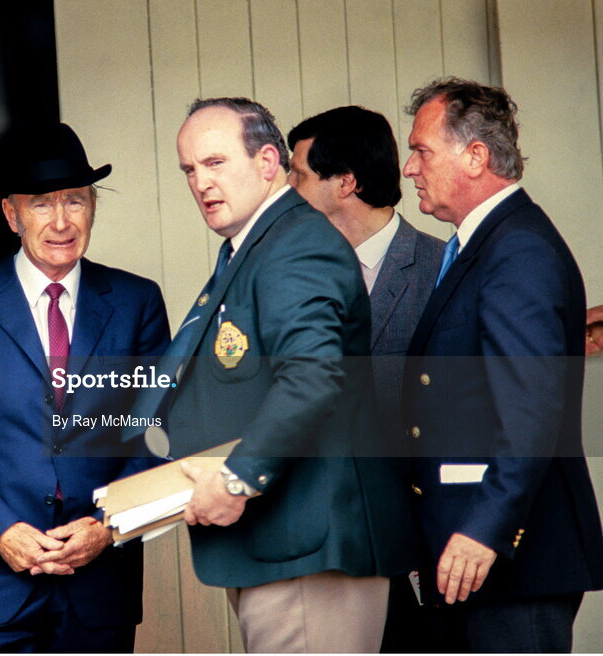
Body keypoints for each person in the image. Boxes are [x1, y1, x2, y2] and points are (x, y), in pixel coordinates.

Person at [133, 97, 413, 652]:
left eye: (215, 163)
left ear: (267, 162)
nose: (200, 183)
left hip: (309, 547)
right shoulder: (256, 246)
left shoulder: (294, 244)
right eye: (190, 169)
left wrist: (238, 479)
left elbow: (311, 379)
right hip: (282, 545)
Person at [0, 122, 169, 652]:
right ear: (11, 214)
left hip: (98, 585)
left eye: (75, 201)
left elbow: (157, 433)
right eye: (41, 204)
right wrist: (2, 531)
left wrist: (107, 525)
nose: (60, 222)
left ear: (93, 206)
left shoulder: (136, 301)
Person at [401, 77, 603, 652]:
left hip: (510, 558)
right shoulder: (480, 244)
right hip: (469, 557)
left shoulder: (516, 249)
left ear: (475, 156)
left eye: (420, 150)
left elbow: (530, 409)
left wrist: (484, 529)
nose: (410, 168)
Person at [288, 107, 442, 651]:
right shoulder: (292, 277)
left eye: (299, 173)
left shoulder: (440, 271)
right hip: (328, 555)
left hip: (426, 552)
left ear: (346, 183)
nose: (286, 187)